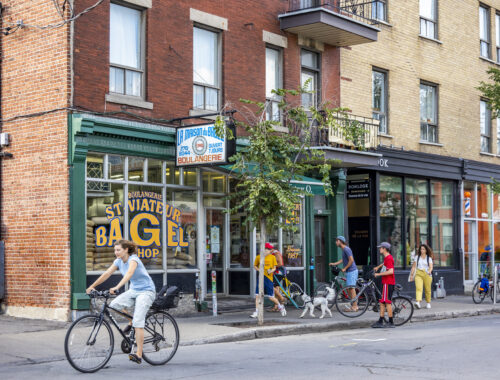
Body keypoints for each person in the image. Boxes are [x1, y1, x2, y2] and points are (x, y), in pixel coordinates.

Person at [86, 239, 156, 364]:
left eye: (118, 250)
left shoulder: (133, 259)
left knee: (138, 322)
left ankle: (139, 354)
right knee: (114, 305)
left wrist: (117, 287)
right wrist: (92, 286)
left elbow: (129, 274)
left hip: (146, 291)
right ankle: (131, 321)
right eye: (115, 250)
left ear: (126, 250)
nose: (116, 252)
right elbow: (107, 273)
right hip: (134, 290)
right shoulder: (118, 261)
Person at [250, 243, 286, 318]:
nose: (269, 251)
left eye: (269, 249)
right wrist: (259, 270)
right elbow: (255, 265)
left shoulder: (272, 257)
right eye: (268, 249)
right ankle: (257, 312)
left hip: (269, 279)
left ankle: (280, 307)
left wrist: (271, 271)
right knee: (257, 296)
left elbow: (275, 267)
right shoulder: (258, 257)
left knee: (271, 297)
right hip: (260, 278)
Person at [329, 235, 358, 312]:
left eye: (336, 241)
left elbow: (351, 260)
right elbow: (343, 259)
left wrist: (345, 268)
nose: (336, 242)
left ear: (340, 241)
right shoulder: (344, 249)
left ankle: (355, 306)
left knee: (351, 289)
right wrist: (335, 263)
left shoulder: (346, 249)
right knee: (349, 289)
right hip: (349, 271)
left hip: (352, 271)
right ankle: (352, 306)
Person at [372, 242, 396, 328]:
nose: (379, 249)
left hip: (388, 282)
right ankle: (380, 320)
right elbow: (385, 264)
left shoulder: (388, 258)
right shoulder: (387, 258)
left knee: (387, 302)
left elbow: (390, 271)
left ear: (384, 249)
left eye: (380, 248)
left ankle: (391, 322)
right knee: (382, 302)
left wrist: (378, 274)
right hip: (386, 282)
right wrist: (378, 267)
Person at [409, 244, 434, 309]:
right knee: (419, 288)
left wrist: (429, 271)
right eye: (421, 249)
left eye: (423, 249)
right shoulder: (417, 257)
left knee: (427, 289)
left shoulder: (429, 258)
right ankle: (418, 302)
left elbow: (431, 267)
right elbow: (414, 267)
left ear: (426, 250)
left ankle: (428, 302)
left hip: (427, 274)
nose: (422, 250)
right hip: (418, 274)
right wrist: (411, 275)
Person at [268, 243, 286, 311]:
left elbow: (280, 263)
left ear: (272, 249)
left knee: (271, 286)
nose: (267, 250)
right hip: (275, 272)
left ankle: (282, 298)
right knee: (276, 288)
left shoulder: (276, 253)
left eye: (269, 249)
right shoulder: (272, 254)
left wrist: (272, 267)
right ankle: (276, 306)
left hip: (278, 272)